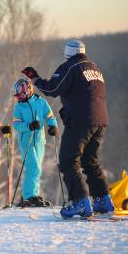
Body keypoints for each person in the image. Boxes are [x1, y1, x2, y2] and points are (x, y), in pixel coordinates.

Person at [21, 39, 114, 217]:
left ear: (67, 53)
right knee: (90, 160)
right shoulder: (94, 68)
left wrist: (35, 78)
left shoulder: (71, 66)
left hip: (80, 121)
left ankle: (80, 202)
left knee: (68, 161)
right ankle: (103, 200)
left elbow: (53, 88)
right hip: (100, 121)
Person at [12, 78, 58, 207]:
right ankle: (28, 196)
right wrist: (29, 126)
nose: (19, 98)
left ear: (28, 91)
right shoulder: (19, 107)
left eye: (20, 95)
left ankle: (34, 194)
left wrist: (52, 126)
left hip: (39, 141)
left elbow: (50, 116)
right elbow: (16, 124)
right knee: (33, 168)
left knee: (38, 170)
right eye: (17, 95)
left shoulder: (41, 102)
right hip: (26, 142)